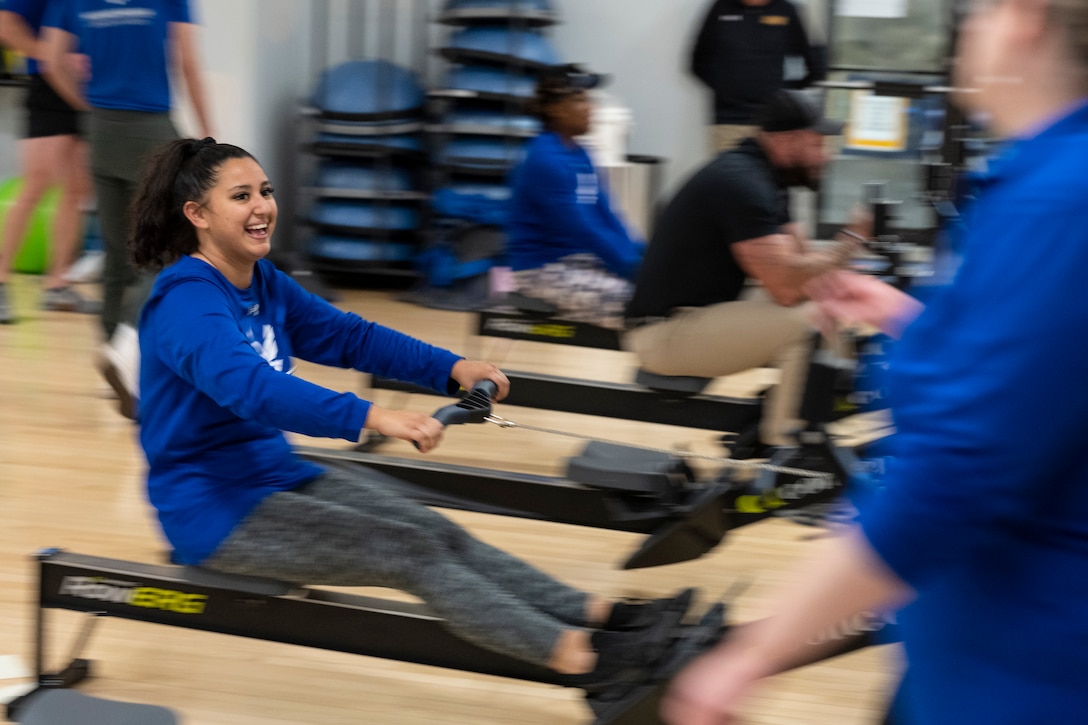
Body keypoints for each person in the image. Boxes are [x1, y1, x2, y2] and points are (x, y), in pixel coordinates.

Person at [129, 137, 693, 684]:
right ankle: (588, 663)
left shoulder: (263, 282)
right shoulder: (187, 302)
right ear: (197, 214)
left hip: (275, 474)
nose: (262, 208)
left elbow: (351, 336)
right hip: (213, 509)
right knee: (408, 552)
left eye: (266, 191)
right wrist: (374, 417)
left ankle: (603, 616)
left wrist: (452, 369)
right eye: (241, 196)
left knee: (432, 530)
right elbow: (254, 390)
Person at [662, 0, 1088, 722]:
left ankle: (780, 446)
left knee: (800, 322)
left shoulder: (1060, 196)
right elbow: (1032, 373)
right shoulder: (1044, 180)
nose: (962, 31)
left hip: (1021, 673)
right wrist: (897, 312)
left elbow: (957, 469)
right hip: (969, 643)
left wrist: (755, 652)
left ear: (1022, 18)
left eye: (975, 13)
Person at [625, 89, 863, 450]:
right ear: (787, 141)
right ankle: (789, 460)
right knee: (814, 324)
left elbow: (803, 272)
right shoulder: (741, 182)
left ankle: (782, 425)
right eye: (818, 144)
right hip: (663, 334)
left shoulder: (771, 179)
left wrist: (840, 265)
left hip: (697, 316)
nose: (826, 157)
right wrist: (849, 244)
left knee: (825, 311)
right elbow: (785, 285)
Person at [39, 0, 212, 418]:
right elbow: (186, 62)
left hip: (100, 127)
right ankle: (124, 355)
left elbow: (50, 60)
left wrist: (88, 106)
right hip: (151, 129)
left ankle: (117, 365)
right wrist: (209, 136)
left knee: (118, 255)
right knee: (171, 249)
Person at [507, 64, 645, 330]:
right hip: (540, 271)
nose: (591, 107)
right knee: (639, 304)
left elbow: (607, 215)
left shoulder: (581, 154)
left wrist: (645, 256)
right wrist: (634, 269)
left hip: (577, 260)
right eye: (580, 99)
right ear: (556, 109)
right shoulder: (544, 159)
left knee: (658, 291)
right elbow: (584, 230)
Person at [0, 0, 94, 324]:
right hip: (46, 85)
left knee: (75, 190)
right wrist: (48, 54)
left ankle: (57, 285)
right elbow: (5, 24)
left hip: (84, 86)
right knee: (36, 184)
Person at [690, 0, 824, 153]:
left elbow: (815, 67)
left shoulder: (786, 10)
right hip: (728, 123)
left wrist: (782, 96)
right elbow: (698, 63)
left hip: (773, 128)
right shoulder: (720, 8)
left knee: (769, 177)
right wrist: (726, 90)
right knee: (729, 174)